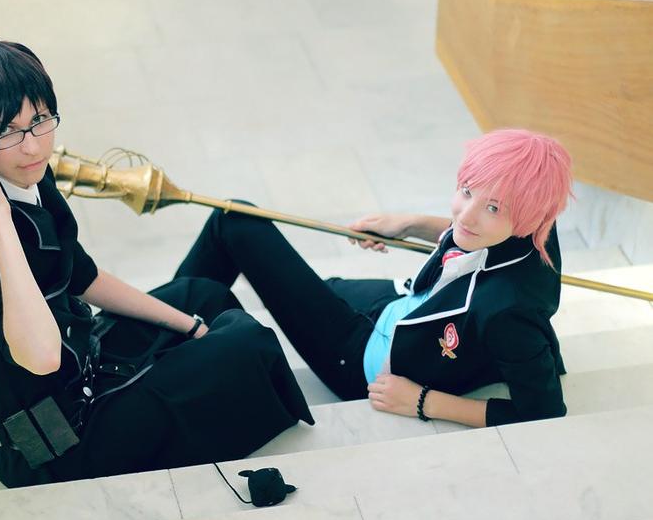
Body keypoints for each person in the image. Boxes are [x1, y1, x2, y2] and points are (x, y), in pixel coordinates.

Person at [0, 33, 313, 488]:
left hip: (83, 368)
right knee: (246, 343)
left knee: (202, 298)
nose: (32, 147)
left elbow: (82, 276)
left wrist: (191, 327)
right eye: (7, 132)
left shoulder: (28, 173)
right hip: (47, 444)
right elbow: (41, 356)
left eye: (40, 120)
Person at [176, 129, 572, 427]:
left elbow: (544, 411)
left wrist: (423, 402)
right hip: (400, 305)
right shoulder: (536, 222)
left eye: (493, 208)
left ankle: (161, 334)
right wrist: (410, 224)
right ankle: (169, 321)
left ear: (530, 218)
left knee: (235, 222)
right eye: (467, 191)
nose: (465, 216)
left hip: (363, 358)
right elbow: (471, 231)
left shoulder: (507, 314)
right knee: (302, 280)